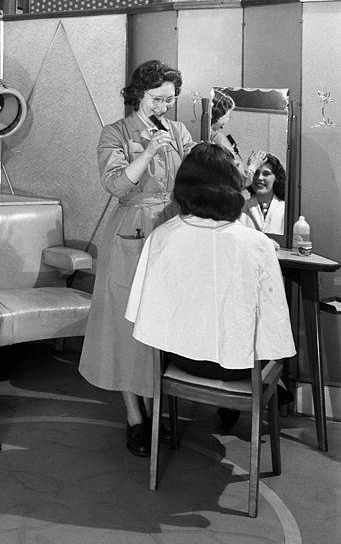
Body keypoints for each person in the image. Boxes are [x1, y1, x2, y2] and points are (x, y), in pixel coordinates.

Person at [78, 59, 194, 458]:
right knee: (127, 326)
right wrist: (147, 153)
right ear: (138, 95)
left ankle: (160, 407)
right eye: (159, 99)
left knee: (165, 324)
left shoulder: (180, 132)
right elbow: (114, 184)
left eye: (170, 100)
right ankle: (134, 416)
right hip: (131, 231)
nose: (165, 106)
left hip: (173, 228)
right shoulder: (115, 133)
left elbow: (194, 176)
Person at [125, 142, 295, 410]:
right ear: (231, 185)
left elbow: (143, 314)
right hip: (238, 367)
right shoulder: (256, 244)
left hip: (179, 358)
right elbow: (274, 329)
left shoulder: (161, 237)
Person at [209, 89, 266, 189]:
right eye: (228, 116)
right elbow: (240, 180)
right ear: (219, 114)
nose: (227, 120)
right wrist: (253, 166)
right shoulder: (217, 138)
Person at [244, 153, 286, 235]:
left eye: (266, 174)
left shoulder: (285, 209)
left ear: (276, 178)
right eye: (256, 173)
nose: (259, 178)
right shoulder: (240, 208)